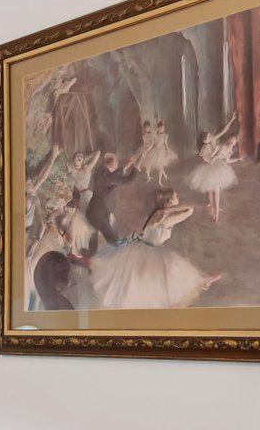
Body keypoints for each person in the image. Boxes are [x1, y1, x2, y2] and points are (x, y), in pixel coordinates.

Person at [90, 190, 221, 309]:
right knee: (170, 274)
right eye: (176, 197)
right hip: (148, 251)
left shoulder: (157, 213)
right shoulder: (167, 220)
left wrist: (170, 209)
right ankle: (201, 282)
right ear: (169, 202)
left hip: (140, 248)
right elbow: (190, 210)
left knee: (153, 279)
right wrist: (173, 209)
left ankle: (202, 282)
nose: (178, 198)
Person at [188, 114, 240, 221]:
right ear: (204, 141)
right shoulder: (203, 149)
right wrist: (215, 156)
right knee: (211, 190)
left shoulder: (213, 140)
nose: (210, 136)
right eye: (208, 137)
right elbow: (208, 160)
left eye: (209, 136)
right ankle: (213, 208)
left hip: (218, 166)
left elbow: (223, 131)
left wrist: (231, 120)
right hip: (210, 168)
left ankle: (215, 211)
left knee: (214, 190)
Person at [85, 150, 141, 244]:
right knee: (115, 239)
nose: (118, 163)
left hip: (97, 210)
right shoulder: (107, 176)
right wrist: (137, 165)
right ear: (111, 162)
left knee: (114, 238)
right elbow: (128, 180)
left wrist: (126, 166)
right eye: (116, 161)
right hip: (97, 214)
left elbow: (112, 175)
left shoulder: (101, 170)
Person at [138, 118, 178, 186]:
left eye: (162, 128)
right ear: (158, 128)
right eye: (160, 128)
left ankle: (159, 181)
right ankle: (151, 176)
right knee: (150, 163)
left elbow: (166, 144)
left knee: (161, 166)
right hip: (155, 150)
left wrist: (167, 151)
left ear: (164, 128)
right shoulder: (155, 135)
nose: (161, 129)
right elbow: (153, 143)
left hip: (162, 151)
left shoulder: (165, 136)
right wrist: (147, 149)